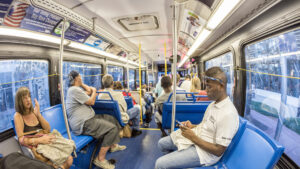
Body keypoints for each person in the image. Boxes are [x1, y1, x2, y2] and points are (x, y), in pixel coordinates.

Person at [155, 67, 239, 169]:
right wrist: (192, 126)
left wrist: (193, 137)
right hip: (197, 137)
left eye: (209, 87)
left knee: (159, 164)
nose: (206, 90)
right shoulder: (213, 104)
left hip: (204, 153)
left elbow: (218, 151)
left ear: (221, 86)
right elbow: (207, 126)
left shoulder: (227, 113)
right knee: (161, 144)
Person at [66, 71, 125, 169]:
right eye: (80, 76)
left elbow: (88, 91)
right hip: (83, 123)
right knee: (112, 129)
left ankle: (113, 145)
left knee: (112, 119)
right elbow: (92, 101)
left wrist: (84, 85)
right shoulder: (74, 90)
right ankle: (100, 159)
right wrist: (94, 92)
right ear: (77, 78)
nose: (81, 78)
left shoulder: (77, 89)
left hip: (89, 119)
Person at [14, 87, 73, 169]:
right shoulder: (18, 116)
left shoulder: (34, 112)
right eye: (25, 98)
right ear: (20, 101)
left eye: (29, 97)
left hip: (46, 140)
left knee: (69, 159)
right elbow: (21, 140)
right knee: (55, 165)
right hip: (37, 145)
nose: (28, 100)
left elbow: (48, 129)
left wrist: (38, 114)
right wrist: (39, 140)